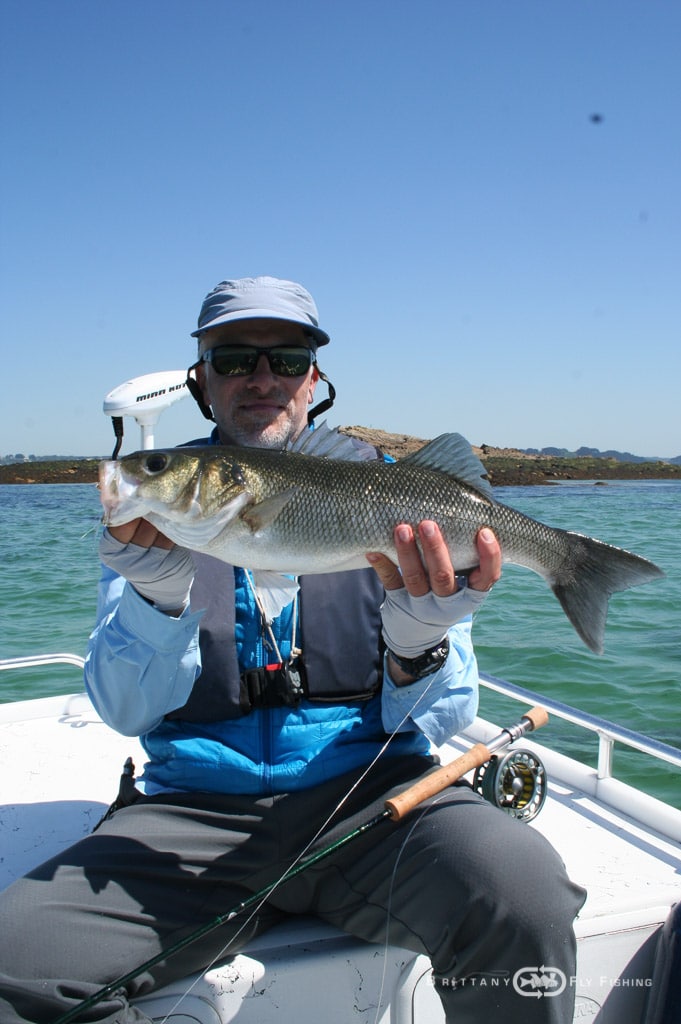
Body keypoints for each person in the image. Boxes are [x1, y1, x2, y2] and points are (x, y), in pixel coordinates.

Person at [0, 276, 585, 1023]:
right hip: (189, 816)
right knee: (13, 970)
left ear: (315, 378)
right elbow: (122, 712)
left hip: (375, 807)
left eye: (287, 359)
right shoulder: (154, 525)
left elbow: (441, 720)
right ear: (201, 382)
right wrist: (154, 600)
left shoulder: (396, 502)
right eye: (235, 358)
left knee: (524, 895)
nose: (262, 378)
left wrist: (420, 640)